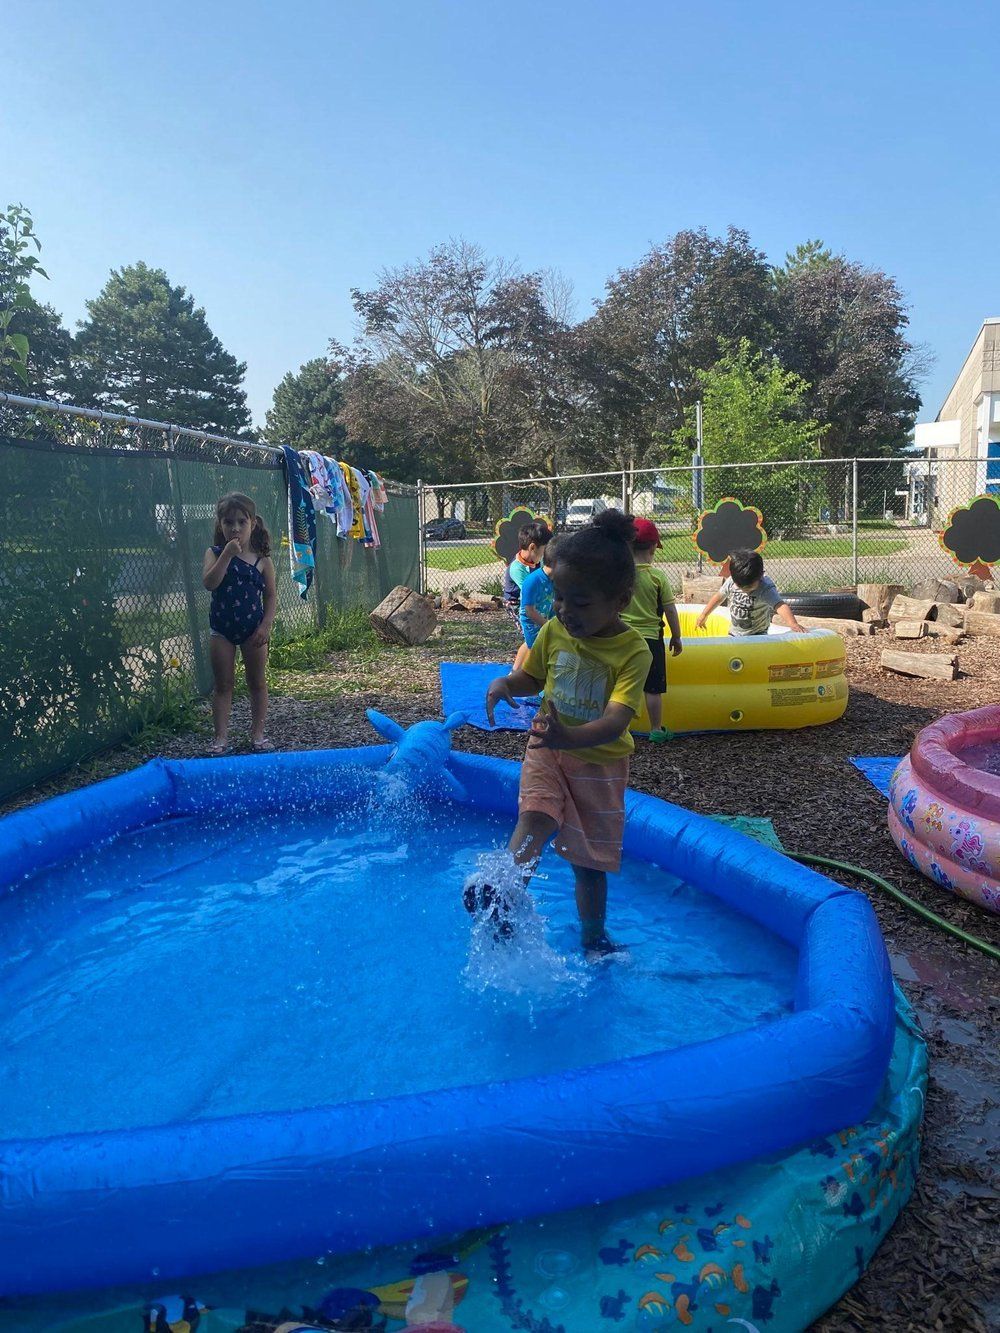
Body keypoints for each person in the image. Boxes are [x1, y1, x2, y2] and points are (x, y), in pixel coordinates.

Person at [467, 510, 652, 958]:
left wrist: (570, 737)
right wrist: (506, 684)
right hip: (547, 749)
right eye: (560, 599)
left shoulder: (632, 651)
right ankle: (503, 894)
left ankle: (594, 938)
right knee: (537, 814)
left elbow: (616, 720)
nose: (566, 612)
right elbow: (532, 678)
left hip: (599, 765)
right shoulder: (553, 631)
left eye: (581, 603)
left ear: (621, 600)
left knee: (589, 864)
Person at [202, 493, 277, 754]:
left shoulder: (262, 559)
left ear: (252, 524)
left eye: (241, 522)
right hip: (221, 630)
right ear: (220, 525)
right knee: (223, 684)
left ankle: (257, 735)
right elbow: (210, 583)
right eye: (228, 522)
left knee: (257, 682)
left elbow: (270, 595)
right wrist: (226, 556)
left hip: (252, 630)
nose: (235, 528)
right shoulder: (213, 554)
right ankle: (220, 738)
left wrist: (265, 626)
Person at [622, 518, 682, 744]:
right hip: (650, 640)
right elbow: (670, 610)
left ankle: (621, 730)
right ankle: (656, 729)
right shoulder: (657, 577)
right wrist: (676, 636)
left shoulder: (622, 575)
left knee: (625, 686)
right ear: (653, 547)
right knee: (653, 688)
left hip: (624, 638)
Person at [695, 548, 805, 637]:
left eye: (749, 587)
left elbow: (779, 605)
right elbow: (719, 597)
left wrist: (792, 623)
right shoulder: (732, 581)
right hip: (734, 633)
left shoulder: (765, 588)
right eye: (740, 586)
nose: (744, 589)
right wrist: (704, 615)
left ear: (761, 576)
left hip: (758, 635)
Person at [503, 520, 551, 642]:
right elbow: (529, 589)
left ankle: (521, 661)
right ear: (532, 547)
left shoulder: (537, 561)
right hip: (516, 603)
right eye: (544, 550)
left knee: (534, 638)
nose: (545, 555)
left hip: (533, 601)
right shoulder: (517, 568)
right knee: (529, 636)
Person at [514, 537, 557, 671]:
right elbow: (529, 611)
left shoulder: (555, 580)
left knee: (540, 649)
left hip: (546, 619)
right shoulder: (532, 581)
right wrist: (548, 625)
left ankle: (516, 673)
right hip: (532, 623)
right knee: (537, 652)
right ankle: (528, 679)